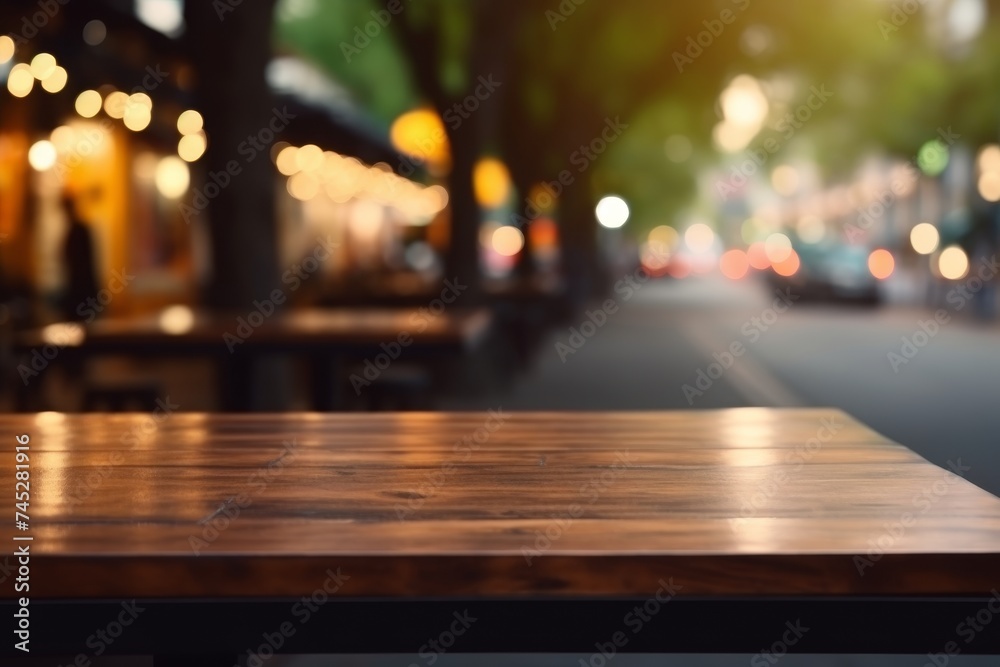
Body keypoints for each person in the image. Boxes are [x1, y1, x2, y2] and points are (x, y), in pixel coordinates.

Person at [60, 195, 99, 322]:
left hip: (81, 286)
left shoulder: (79, 230)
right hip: (79, 285)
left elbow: (85, 261)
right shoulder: (77, 229)